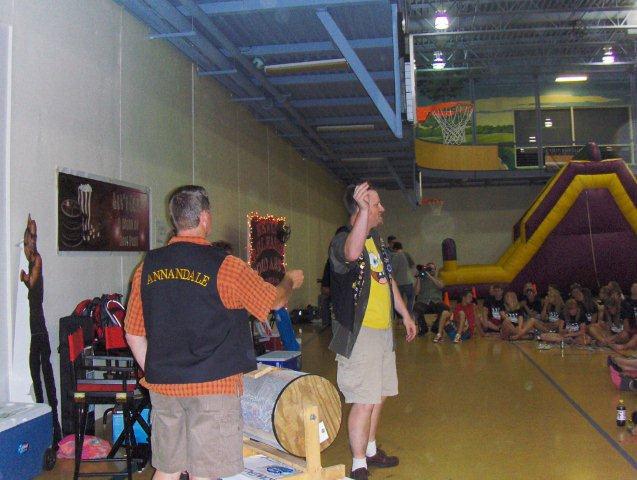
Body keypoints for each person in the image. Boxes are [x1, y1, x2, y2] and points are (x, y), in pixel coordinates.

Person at [124, 186, 304, 480]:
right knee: (205, 474)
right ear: (205, 218)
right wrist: (289, 280)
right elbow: (272, 301)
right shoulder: (226, 267)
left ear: (175, 219)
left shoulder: (147, 267)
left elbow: (133, 333)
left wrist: (162, 372)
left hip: (164, 389)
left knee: (167, 470)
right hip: (213, 389)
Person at [329, 183, 417, 480]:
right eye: (375, 204)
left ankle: (370, 450)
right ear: (361, 208)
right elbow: (352, 253)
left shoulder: (377, 241)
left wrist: (405, 314)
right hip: (360, 334)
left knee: (379, 395)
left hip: (382, 331)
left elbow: (387, 280)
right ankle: (358, 464)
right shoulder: (342, 240)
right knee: (364, 400)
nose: (382, 209)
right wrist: (364, 213)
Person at [20, 214, 62, 445]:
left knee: (44, 379)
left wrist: (25, 278)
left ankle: (54, 431)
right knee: (38, 378)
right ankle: (49, 431)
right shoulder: (32, 259)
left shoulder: (37, 260)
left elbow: (32, 283)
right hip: (36, 329)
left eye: (30, 242)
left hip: (39, 330)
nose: (28, 247)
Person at [413, 262, 447, 336]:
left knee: (445, 308)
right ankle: (423, 328)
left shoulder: (438, 279)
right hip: (424, 302)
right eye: (429, 269)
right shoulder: (421, 280)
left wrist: (429, 276)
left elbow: (441, 286)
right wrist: (418, 278)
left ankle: (436, 327)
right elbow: (416, 292)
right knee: (416, 307)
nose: (431, 270)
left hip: (436, 302)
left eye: (432, 269)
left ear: (435, 270)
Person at [390, 242, 414, 313]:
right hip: (408, 280)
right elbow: (412, 265)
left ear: (395, 249)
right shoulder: (406, 254)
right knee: (410, 298)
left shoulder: (395, 256)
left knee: (399, 300)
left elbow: (393, 270)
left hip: (399, 282)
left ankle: (401, 315)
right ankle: (409, 313)